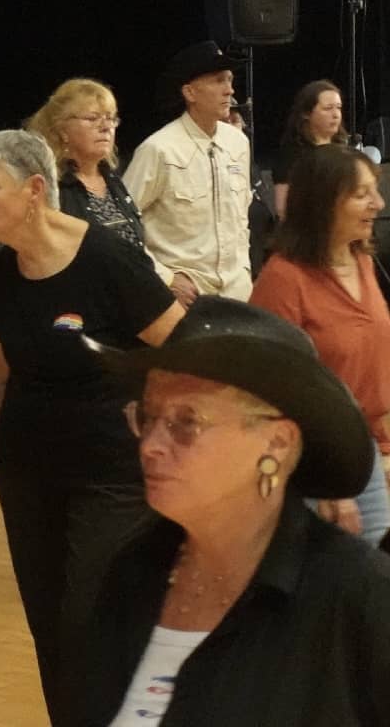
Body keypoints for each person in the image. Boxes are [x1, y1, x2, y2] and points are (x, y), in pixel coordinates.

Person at [0, 129, 184, 726]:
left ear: (35, 189)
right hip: (27, 473)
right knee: (50, 626)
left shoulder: (108, 260)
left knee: (90, 619)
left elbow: (184, 347)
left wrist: (166, 428)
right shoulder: (4, 273)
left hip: (112, 475)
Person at [64, 296, 390, 726]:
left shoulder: (355, 593)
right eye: (148, 416)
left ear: (276, 442)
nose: (150, 445)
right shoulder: (132, 571)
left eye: (186, 422)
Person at [249, 143, 390, 543]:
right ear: (325, 203)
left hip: (364, 450)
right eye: (362, 194)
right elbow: (273, 394)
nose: (378, 203)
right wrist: (324, 481)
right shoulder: (283, 279)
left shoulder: (360, 260)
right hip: (316, 464)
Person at [122, 40, 255, 303]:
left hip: (237, 293)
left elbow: (241, 218)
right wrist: (165, 277)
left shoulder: (238, 142)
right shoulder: (159, 150)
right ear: (190, 93)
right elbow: (121, 225)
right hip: (183, 296)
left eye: (230, 80)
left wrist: (244, 269)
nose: (230, 90)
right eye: (218, 80)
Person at [26, 78, 150, 257]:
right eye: (92, 118)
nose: (106, 127)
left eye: (110, 118)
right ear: (62, 130)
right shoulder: (49, 186)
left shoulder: (112, 179)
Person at [272, 79, 344, 219]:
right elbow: (283, 209)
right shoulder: (292, 155)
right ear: (306, 113)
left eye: (339, 107)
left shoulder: (344, 150)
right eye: (328, 108)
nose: (336, 115)